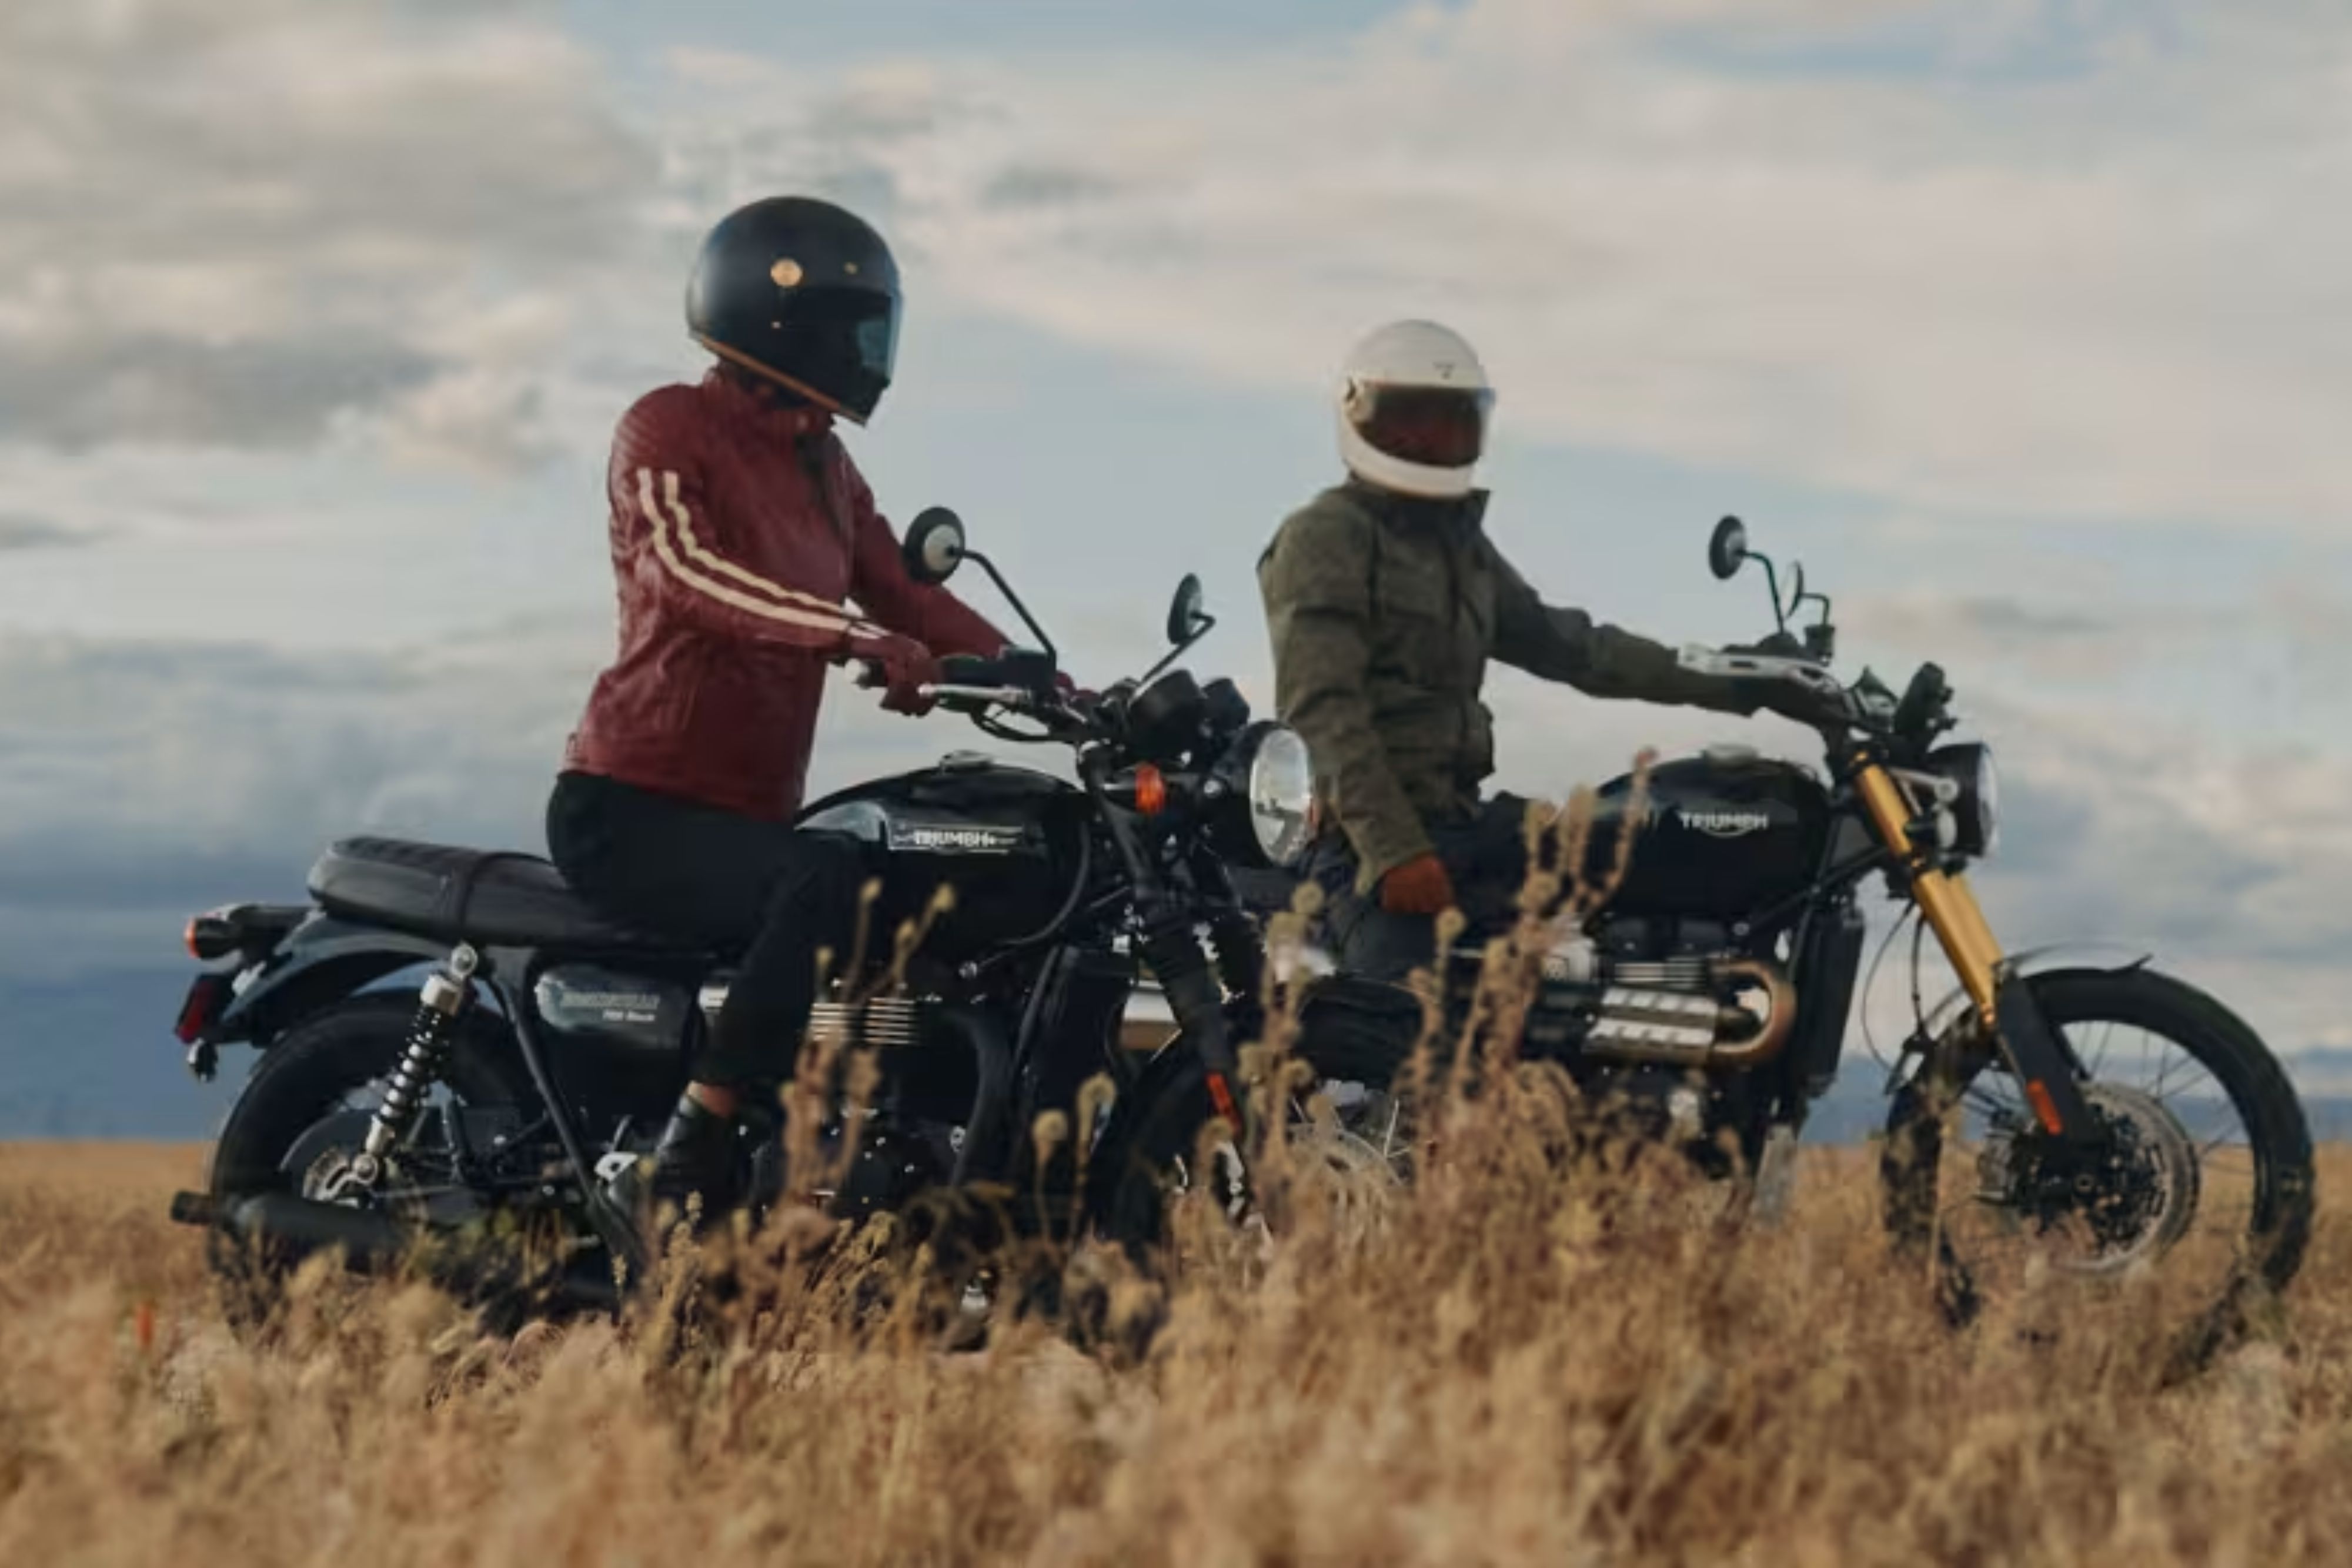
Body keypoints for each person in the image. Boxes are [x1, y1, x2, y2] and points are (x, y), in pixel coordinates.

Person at [545, 196, 1007, 1223]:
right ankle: (693, 1143)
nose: (867, 353)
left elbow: (907, 590)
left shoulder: (826, 466)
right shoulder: (668, 427)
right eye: (851, 326)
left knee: (909, 884)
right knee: (827, 874)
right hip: (633, 804)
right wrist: (846, 636)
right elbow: (687, 573)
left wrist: (1049, 679)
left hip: (746, 813)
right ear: (774, 316)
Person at [1258, 319, 1815, 981]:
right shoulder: (1327, 536)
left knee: (1628, 880)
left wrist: (1741, 679)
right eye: (1412, 419)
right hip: (1370, 847)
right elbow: (1321, 709)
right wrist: (1395, 850)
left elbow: (1576, 648)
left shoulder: (1458, 549)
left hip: (1463, 822)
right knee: (1402, 1043)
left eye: (1452, 421)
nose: (1431, 439)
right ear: (1365, 419)